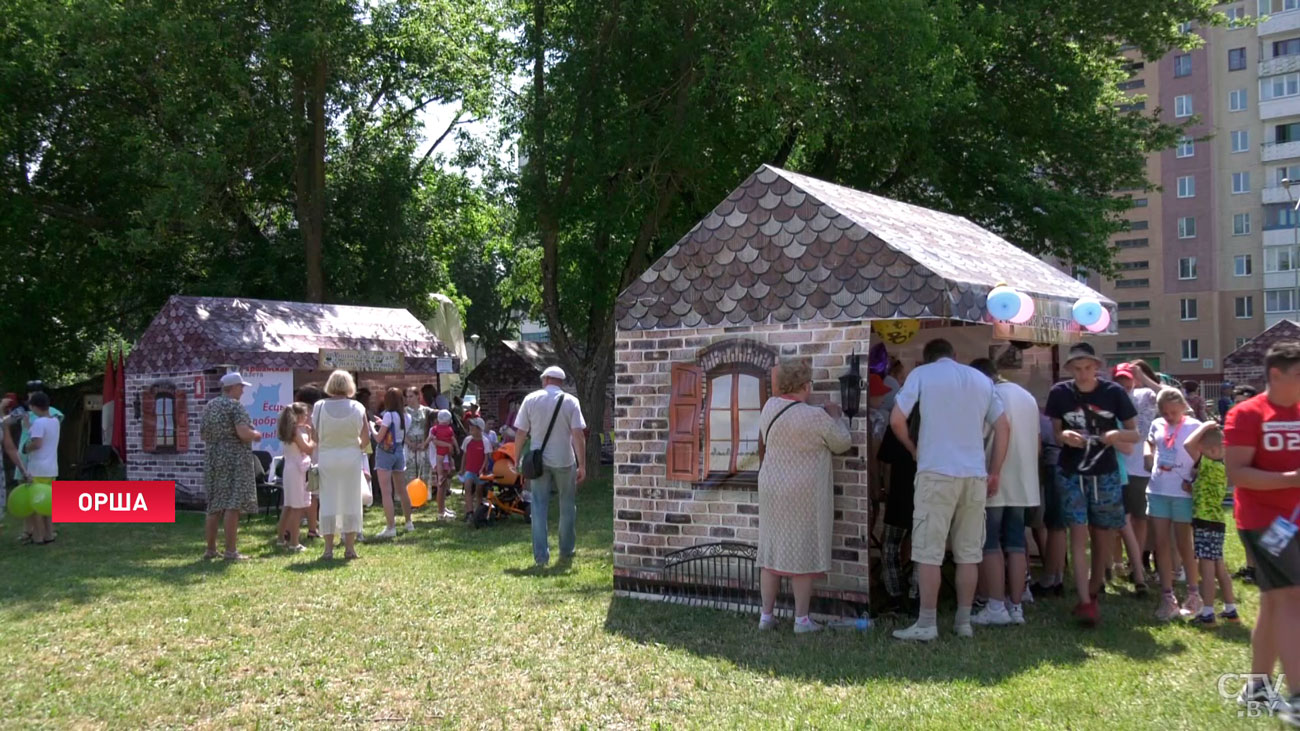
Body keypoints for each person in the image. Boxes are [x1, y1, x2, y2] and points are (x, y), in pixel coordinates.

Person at [889, 339, 1009, 642]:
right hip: (974, 472)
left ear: (926, 358)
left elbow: (897, 419)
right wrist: (994, 471)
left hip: (936, 470)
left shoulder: (922, 375)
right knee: (969, 552)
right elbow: (1004, 425)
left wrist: (914, 449)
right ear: (955, 355)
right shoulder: (981, 379)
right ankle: (964, 620)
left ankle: (927, 623)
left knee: (929, 551)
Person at [1225, 342, 1300, 719]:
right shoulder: (1247, 414)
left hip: (1296, 520)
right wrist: (1292, 478)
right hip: (1262, 522)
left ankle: (1257, 688)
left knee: (1275, 601)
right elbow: (1237, 473)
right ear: (1276, 374)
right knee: (1291, 597)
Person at [1045, 342, 1139, 627]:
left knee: (1102, 535)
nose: (1083, 374)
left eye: (1088, 368)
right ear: (1071, 369)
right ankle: (1084, 600)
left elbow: (1135, 434)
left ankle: (1095, 589)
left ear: (1097, 367)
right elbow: (1056, 431)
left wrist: (1115, 434)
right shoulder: (1059, 393)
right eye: (1077, 369)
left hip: (1106, 472)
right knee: (1077, 532)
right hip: (1071, 471)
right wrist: (1066, 437)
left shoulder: (1114, 393)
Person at [755, 358, 852, 633]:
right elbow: (842, 443)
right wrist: (835, 415)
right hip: (803, 491)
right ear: (806, 386)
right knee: (803, 553)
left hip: (771, 486)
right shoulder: (816, 417)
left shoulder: (769, 407)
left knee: (771, 550)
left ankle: (766, 616)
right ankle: (802, 620)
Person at [968, 359, 1039, 627]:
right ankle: (1016, 605)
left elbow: (982, 435)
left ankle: (995, 604)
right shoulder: (1026, 396)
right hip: (1024, 479)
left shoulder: (989, 395)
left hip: (994, 476)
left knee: (990, 543)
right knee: (1017, 542)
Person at [513, 365, 588, 568]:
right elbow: (578, 435)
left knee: (538, 506)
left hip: (539, 462)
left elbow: (520, 433)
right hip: (565, 460)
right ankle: (566, 550)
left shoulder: (531, 399)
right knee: (567, 505)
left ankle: (541, 556)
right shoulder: (571, 402)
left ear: (545, 379)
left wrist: (515, 459)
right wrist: (583, 465)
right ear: (561, 382)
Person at [1147, 387, 1203, 621]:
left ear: (1183, 406)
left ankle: (1194, 594)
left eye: (1173, 411)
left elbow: (1207, 456)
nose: (1169, 416)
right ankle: (1168, 597)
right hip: (1158, 489)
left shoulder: (1195, 426)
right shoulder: (1158, 424)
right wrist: (1147, 456)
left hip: (1182, 492)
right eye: (1165, 412)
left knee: (1184, 544)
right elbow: (1150, 442)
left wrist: (1196, 478)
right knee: (1161, 545)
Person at [200, 373, 262, 560]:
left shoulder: (210, 406)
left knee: (215, 505)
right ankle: (230, 551)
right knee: (232, 505)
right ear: (233, 387)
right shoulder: (235, 406)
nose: (243, 390)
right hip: (234, 459)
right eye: (241, 387)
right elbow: (243, 433)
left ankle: (210, 549)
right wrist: (256, 434)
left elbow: (203, 434)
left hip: (213, 458)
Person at [1182, 422, 1238, 625]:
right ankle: (1231, 609)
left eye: (1202, 449)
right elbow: (1206, 490)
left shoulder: (1206, 462)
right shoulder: (1222, 467)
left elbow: (1188, 444)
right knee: (1219, 565)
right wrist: (1192, 489)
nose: (1199, 452)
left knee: (1206, 568)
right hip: (1217, 522)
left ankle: (1207, 613)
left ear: (1211, 450)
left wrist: (1204, 425)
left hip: (1204, 522)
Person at [313, 370, 368, 560]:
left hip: (327, 457)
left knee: (328, 500)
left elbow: (314, 437)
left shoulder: (319, 406)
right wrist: (354, 446)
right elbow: (366, 438)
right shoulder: (358, 406)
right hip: (351, 457)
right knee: (351, 500)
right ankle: (350, 548)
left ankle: (328, 549)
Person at [1112, 363, 1153, 593]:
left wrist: (1144, 378)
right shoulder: (1111, 403)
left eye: (1127, 379)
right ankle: (1116, 564)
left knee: (1133, 520)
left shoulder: (1141, 397)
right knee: (1116, 524)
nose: (1124, 385)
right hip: (1116, 471)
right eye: (1119, 380)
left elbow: (1175, 399)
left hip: (1131, 471)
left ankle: (1136, 567)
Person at [1031, 410, 1067, 597]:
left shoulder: (1041, 418)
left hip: (1054, 468)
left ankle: (1050, 579)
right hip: (1064, 467)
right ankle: (1057, 576)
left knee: (1054, 527)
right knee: (1057, 527)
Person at [372, 387, 413, 539]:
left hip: (385, 453)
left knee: (386, 492)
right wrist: (383, 423)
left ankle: (391, 526)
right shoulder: (406, 416)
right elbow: (395, 430)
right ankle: (409, 522)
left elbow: (378, 438)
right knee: (402, 490)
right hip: (399, 451)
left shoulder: (389, 414)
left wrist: (371, 427)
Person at [274, 403, 314, 552]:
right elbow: (308, 449)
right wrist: (313, 438)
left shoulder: (288, 431)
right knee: (297, 507)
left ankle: (280, 538)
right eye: (304, 415)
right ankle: (294, 542)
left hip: (290, 468)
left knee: (288, 505)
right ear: (297, 417)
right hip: (296, 470)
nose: (307, 417)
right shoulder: (296, 432)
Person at [22, 392, 60, 545]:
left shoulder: (38, 423)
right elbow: (43, 433)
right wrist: (28, 427)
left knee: (36, 504)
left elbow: (37, 444)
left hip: (38, 469)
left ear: (34, 407)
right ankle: (49, 534)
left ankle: (38, 536)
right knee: (48, 502)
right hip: (51, 468)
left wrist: (25, 448)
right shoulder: (55, 421)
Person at [294, 385, 326, 540]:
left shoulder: (295, 416)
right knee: (313, 496)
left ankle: (292, 528)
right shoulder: (315, 415)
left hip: (298, 460)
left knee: (300, 496)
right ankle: (312, 528)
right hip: (314, 459)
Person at [425, 410, 457, 520]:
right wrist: (449, 445)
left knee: (443, 485)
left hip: (445, 459)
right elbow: (435, 442)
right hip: (437, 459)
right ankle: (440, 512)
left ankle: (443, 507)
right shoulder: (433, 431)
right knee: (441, 484)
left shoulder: (443, 430)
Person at [460, 418, 492, 524]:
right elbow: (464, 455)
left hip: (480, 472)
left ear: (479, 429)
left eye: (473, 427)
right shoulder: (467, 440)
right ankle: (469, 512)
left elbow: (487, 457)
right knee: (468, 488)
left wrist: (482, 469)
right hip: (469, 470)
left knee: (479, 492)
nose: (471, 429)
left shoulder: (485, 441)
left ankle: (478, 513)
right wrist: (462, 468)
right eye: (471, 427)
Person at [404, 386, 434, 487]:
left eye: (411, 396)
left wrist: (425, 443)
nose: (408, 399)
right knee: (410, 471)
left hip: (423, 443)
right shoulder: (404, 411)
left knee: (424, 471)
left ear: (418, 396)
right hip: (409, 443)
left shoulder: (426, 410)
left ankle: (423, 496)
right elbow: (400, 429)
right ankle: (409, 497)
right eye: (407, 397)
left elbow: (434, 425)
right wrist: (409, 443)